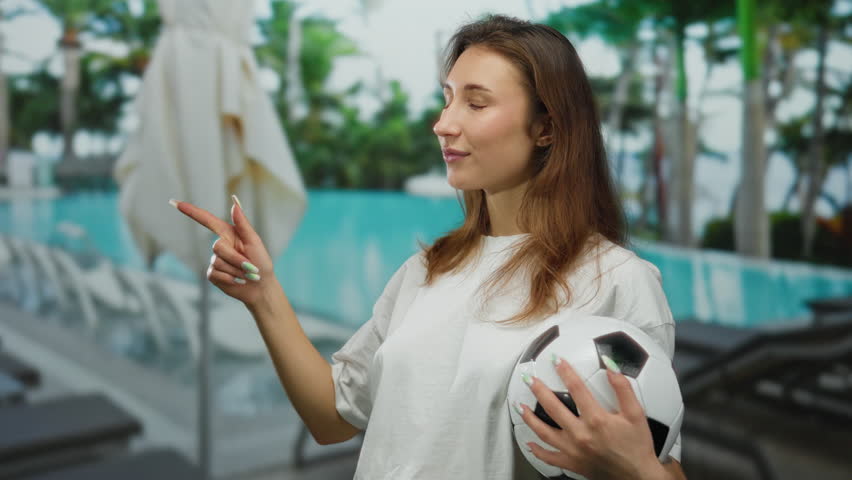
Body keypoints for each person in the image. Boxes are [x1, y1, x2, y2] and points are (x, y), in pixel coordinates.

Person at [172, 14, 687, 480]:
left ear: (546, 128)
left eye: (476, 102)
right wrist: (263, 295)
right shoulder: (428, 269)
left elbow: (661, 464)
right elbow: (333, 417)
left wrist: (636, 469)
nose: (444, 123)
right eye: (447, 98)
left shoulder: (617, 281)